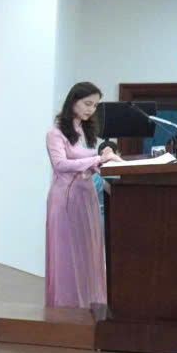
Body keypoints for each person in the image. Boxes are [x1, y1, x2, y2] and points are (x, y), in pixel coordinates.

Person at [45, 82, 114, 308]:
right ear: (73, 101)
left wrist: (104, 159)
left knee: (88, 251)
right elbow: (60, 164)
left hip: (86, 195)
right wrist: (97, 159)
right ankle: (66, 306)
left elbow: (88, 162)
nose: (90, 110)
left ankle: (89, 304)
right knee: (66, 253)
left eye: (94, 106)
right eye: (87, 103)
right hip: (66, 198)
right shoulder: (55, 134)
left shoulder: (85, 131)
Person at [92, 139, 120, 218]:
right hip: (108, 216)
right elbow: (117, 196)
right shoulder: (113, 174)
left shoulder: (93, 174)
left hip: (93, 215)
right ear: (116, 154)